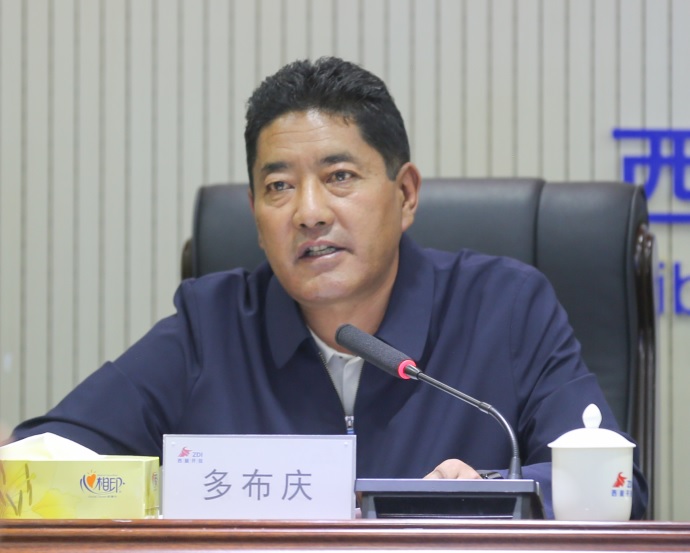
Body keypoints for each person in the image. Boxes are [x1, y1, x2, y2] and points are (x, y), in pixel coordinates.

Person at [10, 57, 647, 519]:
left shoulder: (505, 309)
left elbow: (616, 487)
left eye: (339, 176)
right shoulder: (212, 325)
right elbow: (45, 459)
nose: (309, 212)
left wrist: (490, 492)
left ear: (405, 195)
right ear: (255, 216)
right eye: (278, 187)